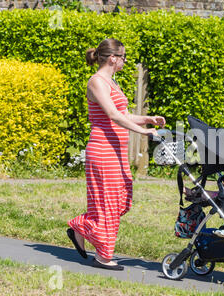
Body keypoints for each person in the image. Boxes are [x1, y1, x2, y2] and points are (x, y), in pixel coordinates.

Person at [67, 38, 165, 271]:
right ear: (113, 58)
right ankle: (103, 255)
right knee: (108, 203)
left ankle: (81, 227)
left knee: (122, 200)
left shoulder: (112, 82)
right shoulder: (97, 82)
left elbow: (124, 115)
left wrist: (147, 119)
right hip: (103, 151)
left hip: (117, 152)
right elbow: (113, 115)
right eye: (123, 57)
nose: (124, 61)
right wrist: (144, 132)